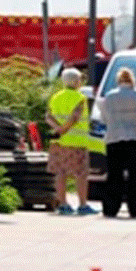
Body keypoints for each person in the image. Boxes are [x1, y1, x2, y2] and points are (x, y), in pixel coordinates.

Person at [100, 67, 136, 219]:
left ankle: (110, 208)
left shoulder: (110, 96)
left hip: (114, 138)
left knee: (114, 176)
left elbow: (105, 118)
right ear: (133, 80)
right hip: (135, 138)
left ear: (118, 80)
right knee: (135, 177)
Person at [45, 67, 97, 215]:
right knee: (80, 174)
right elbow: (75, 116)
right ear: (75, 82)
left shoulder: (56, 96)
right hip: (77, 142)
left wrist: (58, 128)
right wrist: (65, 129)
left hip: (58, 142)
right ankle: (82, 205)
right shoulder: (80, 98)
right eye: (80, 79)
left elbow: (48, 116)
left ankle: (63, 204)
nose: (81, 82)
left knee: (60, 173)